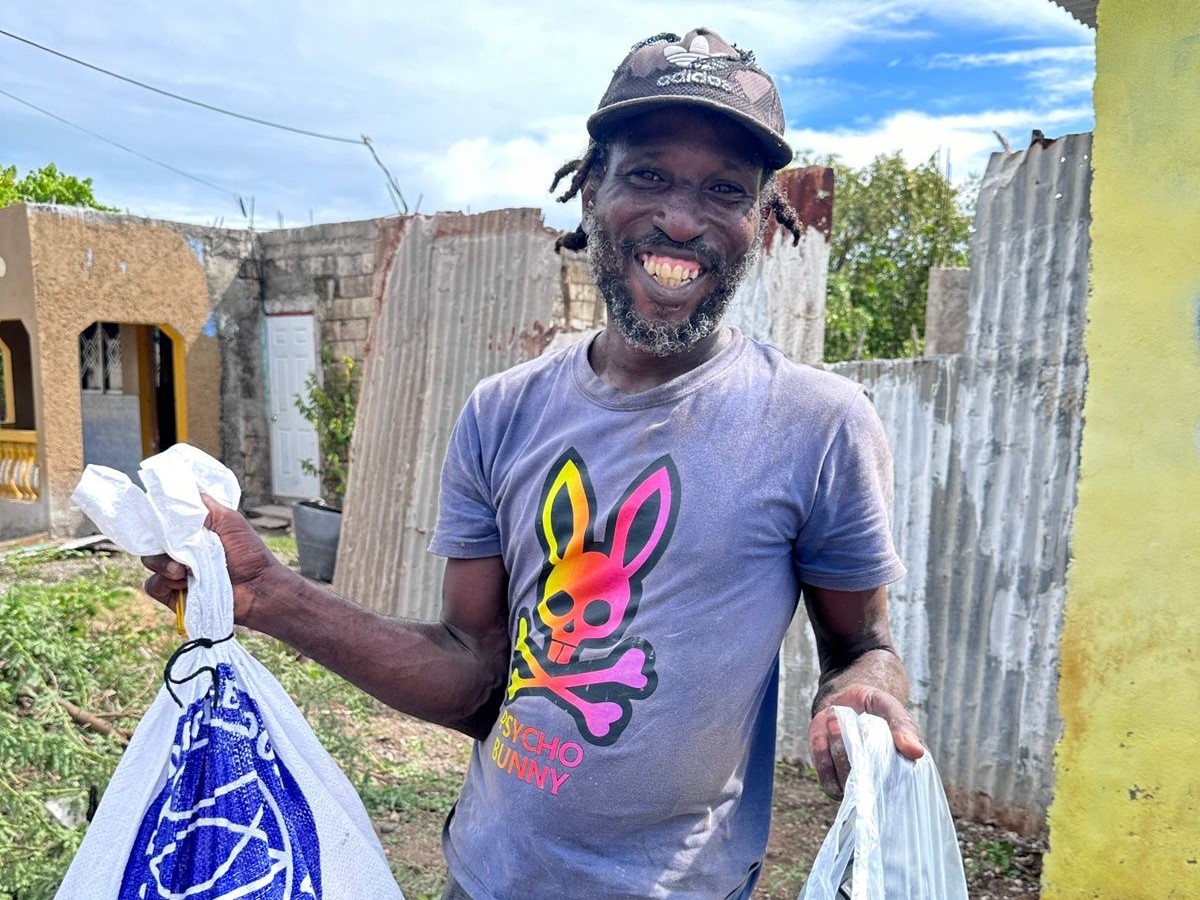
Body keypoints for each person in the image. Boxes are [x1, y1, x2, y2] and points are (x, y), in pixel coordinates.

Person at [144, 27, 923, 900]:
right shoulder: (502, 411)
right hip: (486, 875)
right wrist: (265, 594)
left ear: (760, 218)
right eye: (648, 175)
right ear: (591, 188)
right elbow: (476, 679)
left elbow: (863, 645)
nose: (679, 217)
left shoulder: (819, 427)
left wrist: (865, 696)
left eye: (723, 190)